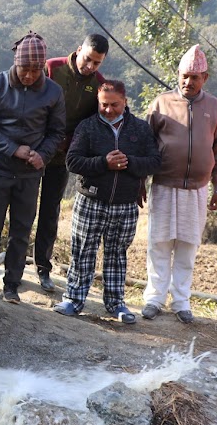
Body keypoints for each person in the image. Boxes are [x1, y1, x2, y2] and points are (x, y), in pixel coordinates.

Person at [53, 81, 161, 323]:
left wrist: (129, 162)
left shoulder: (140, 129)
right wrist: (104, 162)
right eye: (104, 105)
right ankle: (74, 299)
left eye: (114, 105)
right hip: (90, 200)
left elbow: (155, 161)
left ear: (125, 101)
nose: (109, 110)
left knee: (116, 254)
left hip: (125, 204)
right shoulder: (87, 127)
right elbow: (73, 162)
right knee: (82, 252)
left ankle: (116, 304)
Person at [0, 31, 66, 304]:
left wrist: (43, 155)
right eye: (25, 69)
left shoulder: (53, 91)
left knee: (21, 229)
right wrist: (13, 149)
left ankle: (12, 285)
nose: (29, 76)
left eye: (36, 70)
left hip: (30, 172)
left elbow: (57, 132)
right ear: (15, 63)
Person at [141, 45, 217, 324]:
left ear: (205, 78)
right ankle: (154, 298)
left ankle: (181, 302)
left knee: (187, 247)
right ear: (178, 75)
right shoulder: (161, 103)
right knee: (159, 243)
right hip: (164, 185)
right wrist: (140, 181)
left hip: (197, 190)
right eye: (184, 76)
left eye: (195, 77)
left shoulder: (213, 107)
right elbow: (143, 147)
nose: (188, 82)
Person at [36, 34, 109, 292]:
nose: (89, 66)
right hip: (36, 151)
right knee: (23, 209)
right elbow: (33, 104)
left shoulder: (99, 84)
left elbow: (93, 122)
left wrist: (72, 142)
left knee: (50, 211)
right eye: (87, 59)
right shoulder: (52, 68)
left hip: (62, 156)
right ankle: (14, 266)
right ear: (79, 50)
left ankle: (43, 269)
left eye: (96, 63)